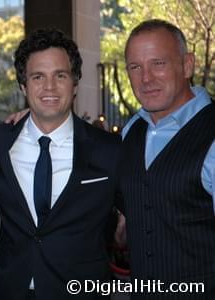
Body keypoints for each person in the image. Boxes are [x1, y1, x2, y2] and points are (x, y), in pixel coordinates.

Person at [0, 28, 121, 300]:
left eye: (60, 75)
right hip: (11, 291)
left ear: (75, 83)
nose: (49, 87)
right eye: (38, 77)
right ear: (23, 86)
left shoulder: (110, 150)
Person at [120, 19, 215, 299]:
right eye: (135, 67)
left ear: (187, 65)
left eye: (158, 63)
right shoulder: (131, 131)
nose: (146, 78)